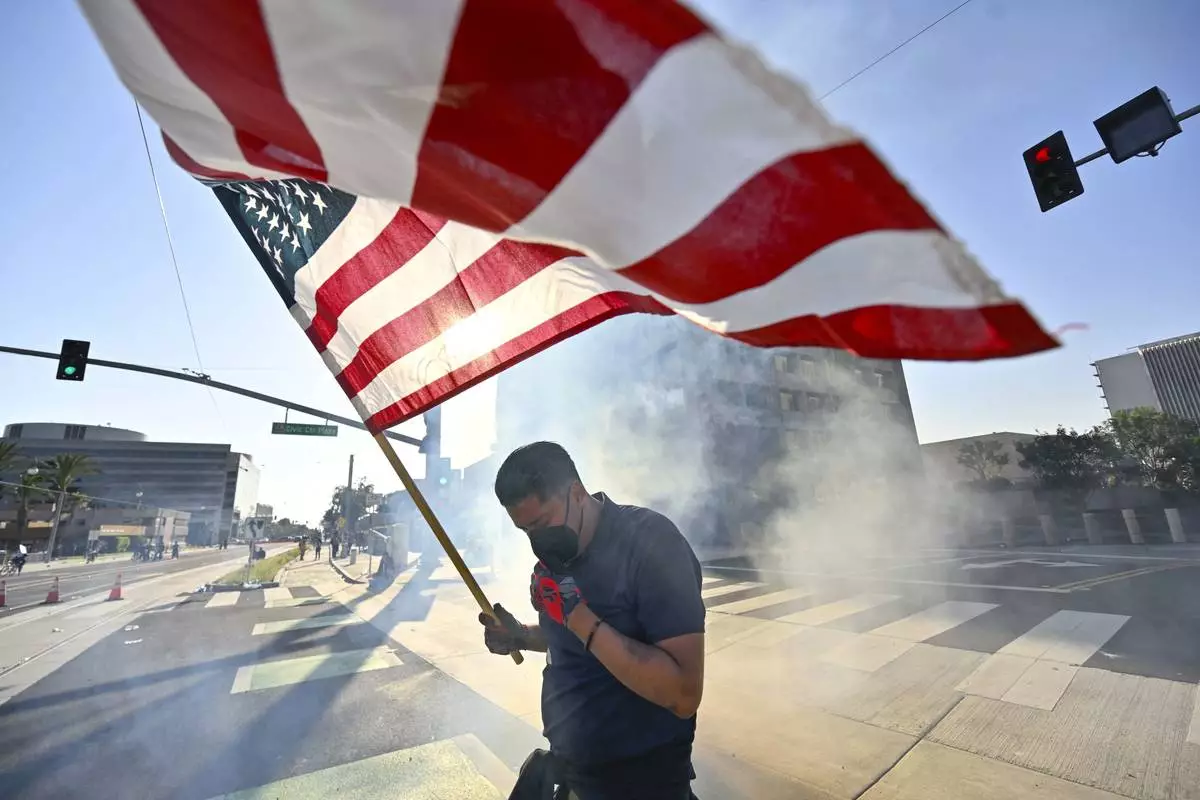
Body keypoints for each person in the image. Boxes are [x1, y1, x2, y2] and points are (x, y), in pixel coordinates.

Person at [479, 442, 705, 800]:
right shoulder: (557, 557)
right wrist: (520, 635)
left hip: (642, 783)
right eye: (525, 530)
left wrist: (578, 616)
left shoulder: (651, 543)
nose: (537, 540)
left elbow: (683, 693)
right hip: (572, 772)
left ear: (577, 493)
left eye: (541, 523)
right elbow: (572, 642)